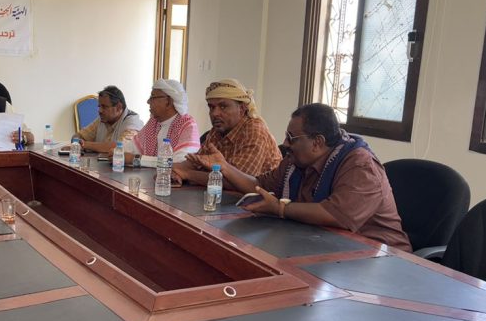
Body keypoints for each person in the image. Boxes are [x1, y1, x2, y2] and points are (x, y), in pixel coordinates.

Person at [186, 103, 411, 251]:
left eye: (292, 138)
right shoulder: (296, 160)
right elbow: (260, 185)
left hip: (381, 256)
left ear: (318, 142)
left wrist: (280, 209)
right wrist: (224, 167)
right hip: (326, 245)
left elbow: (336, 215)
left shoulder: (360, 165)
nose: (285, 144)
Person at [172, 79, 282, 186]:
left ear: (242, 108)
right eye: (211, 107)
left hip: (259, 197)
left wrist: (188, 174)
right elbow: (196, 163)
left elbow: (238, 182)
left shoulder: (255, 131)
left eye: (223, 106)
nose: (215, 113)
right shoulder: (217, 130)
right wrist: (172, 170)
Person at [122, 79, 200, 167]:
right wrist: (117, 151)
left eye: (153, 97)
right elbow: (131, 148)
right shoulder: (154, 122)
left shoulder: (187, 125)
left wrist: (137, 159)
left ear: (168, 102)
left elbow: (180, 162)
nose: (148, 101)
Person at [72, 85, 143, 153]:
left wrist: (86, 144)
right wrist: (78, 141)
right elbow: (78, 136)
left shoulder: (133, 122)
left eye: (104, 107)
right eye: (99, 106)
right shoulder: (102, 119)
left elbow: (120, 147)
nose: (100, 111)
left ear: (118, 107)